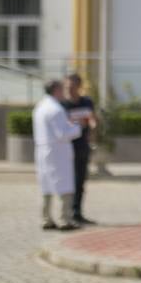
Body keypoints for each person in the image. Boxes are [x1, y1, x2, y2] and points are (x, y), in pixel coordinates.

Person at [33, 79, 81, 231]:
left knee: (46, 184)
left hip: (42, 150)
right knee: (63, 184)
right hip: (57, 151)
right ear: (56, 90)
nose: (63, 92)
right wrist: (77, 127)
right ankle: (64, 219)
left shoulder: (40, 107)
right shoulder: (56, 109)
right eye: (61, 89)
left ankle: (46, 218)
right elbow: (61, 134)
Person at [62, 73, 98, 225]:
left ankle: (77, 212)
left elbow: (92, 119)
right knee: (66, 181)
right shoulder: (62, 104)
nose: (69, 90)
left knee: (80, 181)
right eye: (67, 87)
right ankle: (65, 213)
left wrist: (93, 128)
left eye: (72, 87)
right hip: (66, 148)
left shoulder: (87, 102)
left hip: (82, 147)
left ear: (79, 87)